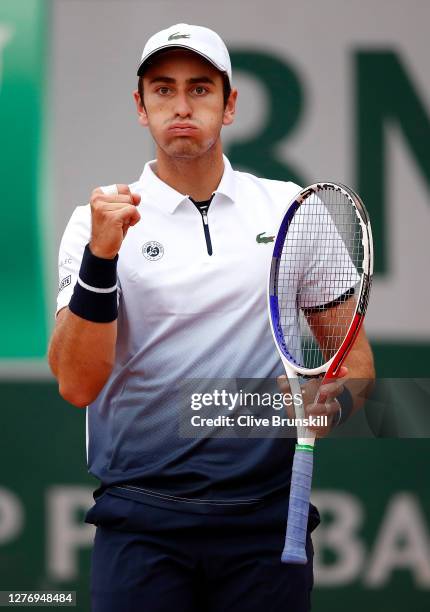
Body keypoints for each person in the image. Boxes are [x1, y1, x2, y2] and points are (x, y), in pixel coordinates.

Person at [48, 23, 374, 612]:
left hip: (267, 526)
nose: (181, 106)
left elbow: (353, 364)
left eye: (200, 89)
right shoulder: (93, 223)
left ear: (229, 105)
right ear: (140, 107)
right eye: (163, 89)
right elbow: (77, 384)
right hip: (140, 520)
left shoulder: (289, 209)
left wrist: (332, 405)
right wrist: (102, 256)